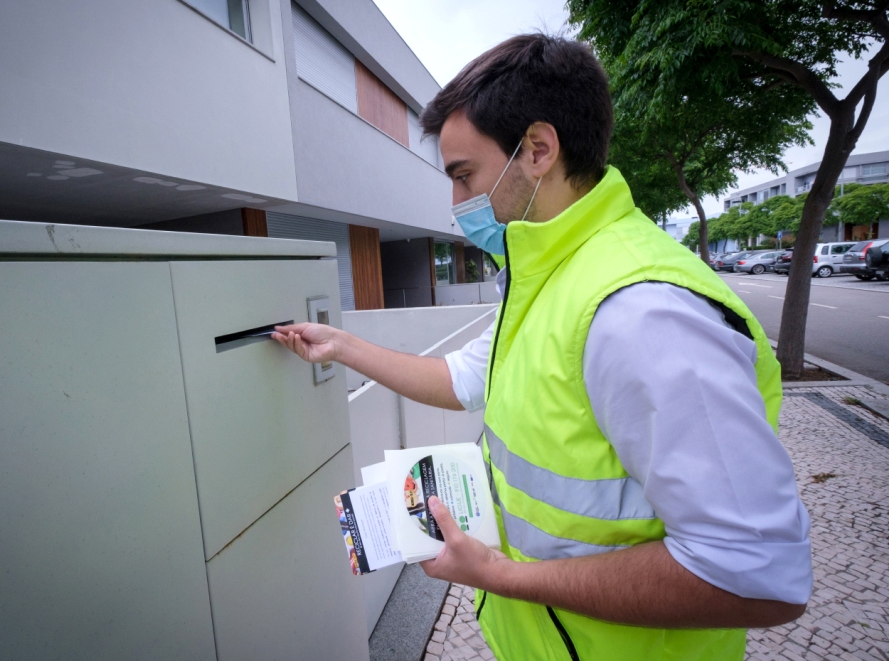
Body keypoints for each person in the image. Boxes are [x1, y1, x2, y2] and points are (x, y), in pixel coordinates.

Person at [273, 34, 811, 661]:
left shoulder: (641, 311)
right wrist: (340, 344)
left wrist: (501, 576)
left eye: (463, 175)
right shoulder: (549, 275)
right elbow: (461, 379)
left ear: (537, 150)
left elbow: (759, 577)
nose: (456, 205)